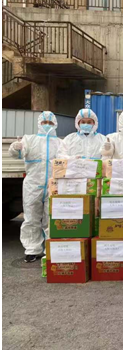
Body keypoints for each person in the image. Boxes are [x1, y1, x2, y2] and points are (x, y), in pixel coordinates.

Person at [9, 111, 63, 263]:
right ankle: (32, 249)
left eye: (50, 123)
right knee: (31, 217)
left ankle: (50, 249)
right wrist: (15, 148)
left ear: (55, 124)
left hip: (54, 184)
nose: (47, 125)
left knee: (50, 217)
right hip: (33, 184)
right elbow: (16, 154)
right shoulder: (29, 139)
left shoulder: (60, 143)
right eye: (44, 122)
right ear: (39, 123)